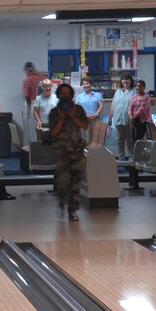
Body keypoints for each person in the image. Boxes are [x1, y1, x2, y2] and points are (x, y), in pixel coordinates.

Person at [48, 83, 89, 222]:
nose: (66, 96)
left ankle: (72, 211)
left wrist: (74, 117)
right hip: (61, 152)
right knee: (62, 182)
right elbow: (53, 133)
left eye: (68, 93)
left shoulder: (78, 110)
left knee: (76, 183)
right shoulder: (54, 112)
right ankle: (61, 200)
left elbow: (85, 125)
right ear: (58, 95)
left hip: (77, 150)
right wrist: (61, 119)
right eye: (63, 93)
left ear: (72, 95)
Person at [109, 73, 135, 160]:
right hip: (117, 119)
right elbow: (113, 105)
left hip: (129, 120)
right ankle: (121, 158)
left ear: (131, 80)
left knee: (130, 139)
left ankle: (132, 158)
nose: (125, 81)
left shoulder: (134, 91)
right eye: (123, 79)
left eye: (127, 79)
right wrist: (110, 117)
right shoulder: (118, 91)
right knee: (120, 139)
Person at [76, 76, 103, 143]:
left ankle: (95, 153)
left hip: (96, 119)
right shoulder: (79, 96)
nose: (85, 85)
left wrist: (96, 115)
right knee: (85, 139)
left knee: (96, 139)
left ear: (91, 84)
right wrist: (85, 115)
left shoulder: (98, 95)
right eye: (84, 84)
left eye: (87, 83)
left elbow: (101, 106)